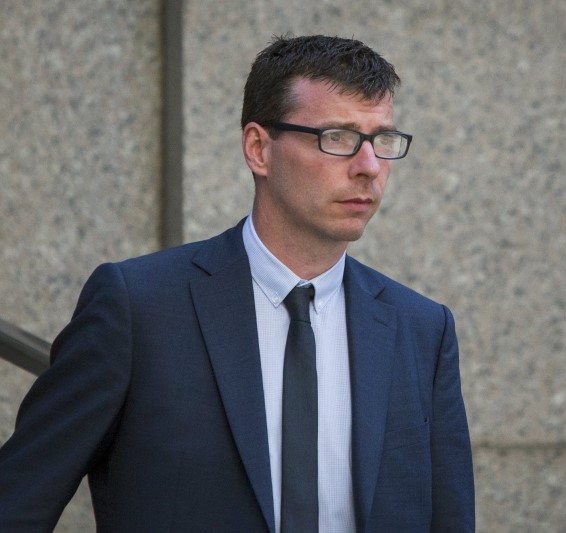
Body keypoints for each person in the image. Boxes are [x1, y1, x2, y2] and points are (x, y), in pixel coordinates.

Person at [0, 35, 474, 532]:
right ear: (258, 149)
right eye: (338, 138)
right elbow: (19, 502)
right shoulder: (137, 307)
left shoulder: (422, 328)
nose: (369, 168)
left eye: (382, 141)